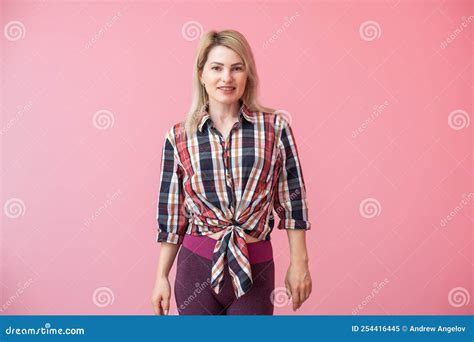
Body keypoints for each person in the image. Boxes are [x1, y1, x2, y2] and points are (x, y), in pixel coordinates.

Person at [151, 29, 312, 315]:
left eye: (236, 68)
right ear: (201, 74)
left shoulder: (275, 128)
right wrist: (161, 277)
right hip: (195, 268)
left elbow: (292, 201)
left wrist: (299, 263)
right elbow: (172, 215)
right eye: (217, 68)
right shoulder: (178, 137)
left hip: (256, 268)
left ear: (247, 74)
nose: (227, 78)